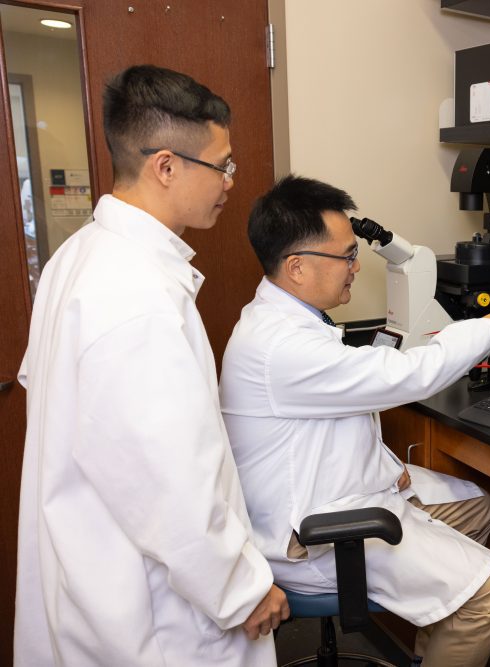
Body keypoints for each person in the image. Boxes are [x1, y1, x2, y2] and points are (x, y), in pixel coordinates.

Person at [15, 65, 287, 667]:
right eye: (222, 166)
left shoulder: (78, 257)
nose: (230, 183)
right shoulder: (134, 297)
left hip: (97, 579)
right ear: (166, 166)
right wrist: (243, 591)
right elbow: (169, 488)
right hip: (153, 616)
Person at [219, 175, 490, 667]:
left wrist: (387, 466)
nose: (355, 268)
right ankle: (457, 624)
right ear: (297, 267)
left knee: (478, 507)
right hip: (315, 536)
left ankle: (436, 645)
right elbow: (406, 375)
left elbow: (327, 421)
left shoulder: (287, 320)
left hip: (332, 493)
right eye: (347, 256)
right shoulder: (282, 346)